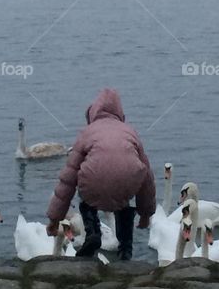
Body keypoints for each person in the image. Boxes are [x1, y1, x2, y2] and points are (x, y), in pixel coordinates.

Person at [46, 88, 156, 260]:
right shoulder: (130, 132)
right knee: (124, 199)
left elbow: (67, 181)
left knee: (84, 189)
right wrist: (145, 214)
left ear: (91, 114)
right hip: (126, 184)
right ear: (120, 114)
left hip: (93, 185)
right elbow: (147, 178)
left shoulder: (86, 134)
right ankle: (125, 249)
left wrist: (54, 220)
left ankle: (93, 233)